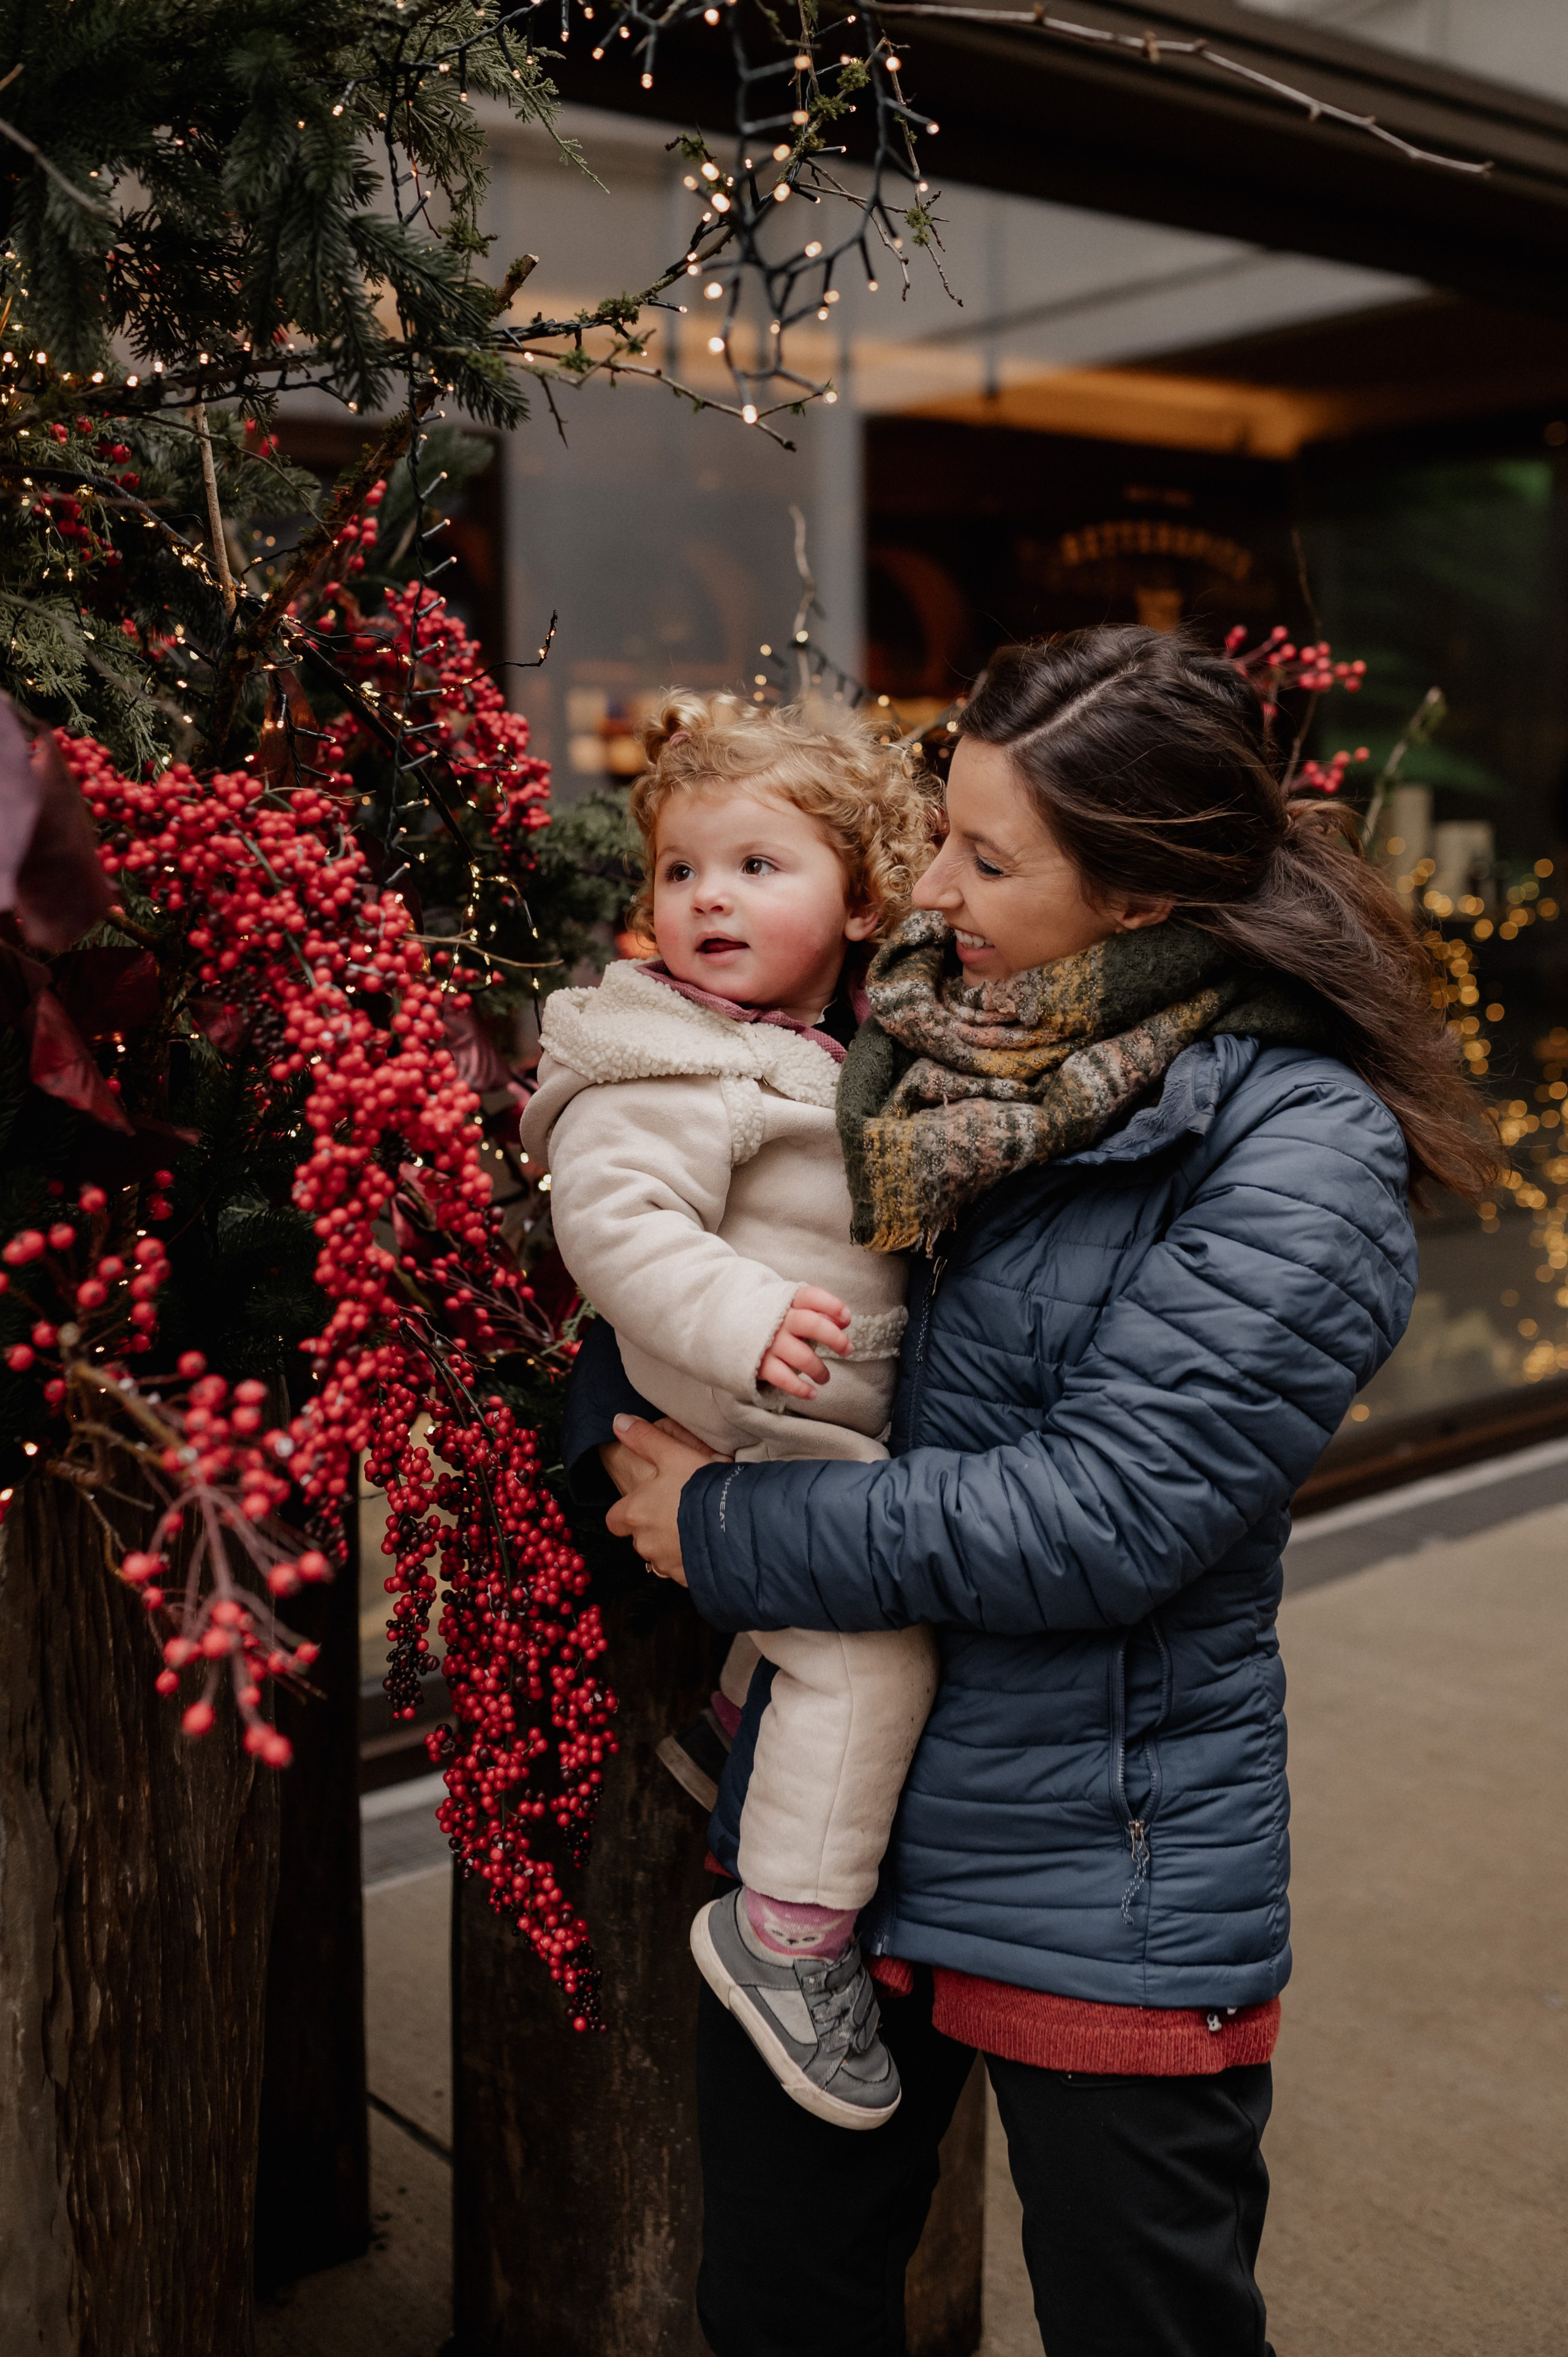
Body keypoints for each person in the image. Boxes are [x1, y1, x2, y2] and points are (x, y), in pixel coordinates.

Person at [586, 627, 1495, 2357]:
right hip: (835, 1821)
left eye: (985, 858)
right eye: (939, 832)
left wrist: (722, 1527)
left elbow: (1106, 1516)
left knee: (1142, 2318)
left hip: (1106, 1854)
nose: (927, 885)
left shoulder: (1300, 1149)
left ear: (1145, 893)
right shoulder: (932, 1033)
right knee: (779, 2304)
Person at [521, 692, 939, 2129]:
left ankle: (734, 1718)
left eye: (758, 866)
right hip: (736, 1391)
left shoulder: (819, 1049)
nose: (707, 895)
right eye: (682, 869)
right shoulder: (675, 1056)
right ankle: (786, 1939)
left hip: (797, 1404)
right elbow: (615, 1227)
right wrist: (745, 1319)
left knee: (832, 1603)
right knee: (874, 1653)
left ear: (860, 897)